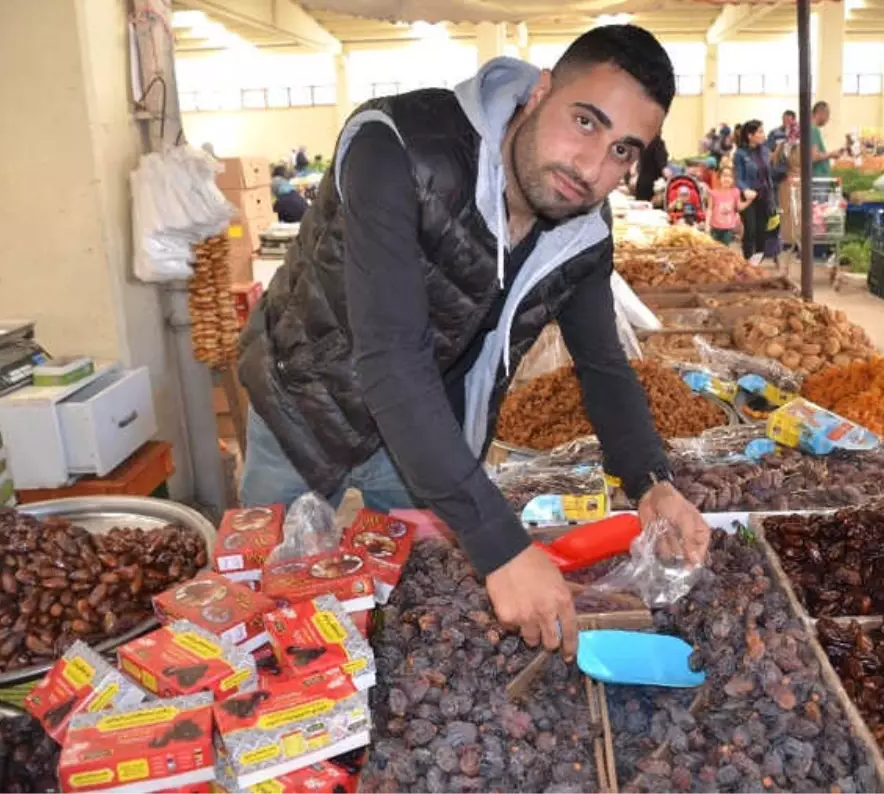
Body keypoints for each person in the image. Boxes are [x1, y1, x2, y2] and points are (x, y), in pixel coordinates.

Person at [237, 25, 711, 661]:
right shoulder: (397, 147)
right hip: (301, 401)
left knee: (410, 607)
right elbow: (392, 360)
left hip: (424, 436)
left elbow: (602, 365)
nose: (593, 167)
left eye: (625, 149)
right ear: (540, 91)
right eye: (585, 121)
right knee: (267, 606)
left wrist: (651, 479)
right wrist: (502, 545)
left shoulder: (581, 230)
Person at [732, 119, 773, 263]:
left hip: (764, 197)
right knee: (750, 230)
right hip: (748, 198)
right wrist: (745, 190)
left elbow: (768, 175)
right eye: (760, 132)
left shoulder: (765, 151)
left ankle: (756, 263)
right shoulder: (740, 154)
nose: (763, 135)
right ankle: (747, 262)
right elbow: (737, 177)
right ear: (750, 135)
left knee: (762, 231)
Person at [707, 170, 752, 246]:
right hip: (714, 228)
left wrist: (749, 200)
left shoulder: (735, 192)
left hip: (728, 229)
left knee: (725, 250)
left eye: (730, 176)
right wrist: (707, 226)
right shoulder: (713, 193)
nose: (727, 179)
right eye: (724, 176)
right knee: (713, 250)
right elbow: (709, 210)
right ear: (719, 178)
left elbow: (739, 207)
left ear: (733, 180)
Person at [810, 101, 843, 178]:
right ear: (821, 113)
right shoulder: (813, 130)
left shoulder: (811, 129)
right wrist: (831, 154)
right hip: (818, 177)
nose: (828, 118)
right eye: (827, 114)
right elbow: (814, 156)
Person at [634, 135, 668, 202]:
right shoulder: (658, 142)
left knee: (640, 209)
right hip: (654, 186)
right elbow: (664, 168)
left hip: (641, 183)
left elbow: (637, 163)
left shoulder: (642, 141)